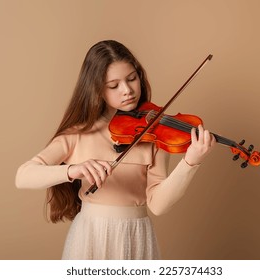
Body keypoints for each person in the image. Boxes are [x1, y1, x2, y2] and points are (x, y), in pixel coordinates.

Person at [15, 40, 215, 260]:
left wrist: (190, 163)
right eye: (113, 85)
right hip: (91, 235)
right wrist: (72, 170)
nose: (127, 91)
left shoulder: (155, 132)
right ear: (96, 90)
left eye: (132, 79)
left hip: (136, 234)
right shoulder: (78, 133)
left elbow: (158, 205)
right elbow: (23, 176)